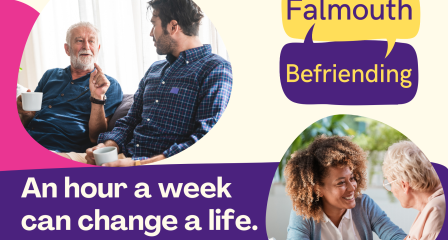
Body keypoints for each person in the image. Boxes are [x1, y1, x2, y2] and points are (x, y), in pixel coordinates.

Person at [84, 0, 232, 167]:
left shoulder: (216, 69)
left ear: (173, 26)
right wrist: (107, 146)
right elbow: (130, 120)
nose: (150, 33)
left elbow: (205, 138)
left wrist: (138, 165)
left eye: (154, 24)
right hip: (124, 156)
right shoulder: (155, 69)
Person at [17, 22, 123, 155]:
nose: (86, 46)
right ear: (67, 49)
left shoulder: (109, 85)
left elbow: (95, 137)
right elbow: (28, 120)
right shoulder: (50, 75)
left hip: (61, 149)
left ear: (98, 48)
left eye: (91, 41)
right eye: (79, 41)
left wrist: (97, 97)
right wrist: (24, 112)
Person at [285, 135, 407, 240]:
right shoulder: (302, 215)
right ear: (317, 189)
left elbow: (395, 236)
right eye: (341, 183)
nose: (352, 187)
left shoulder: (364, 205)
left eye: (352, 178)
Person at [382, 141, 445, 240]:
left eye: (390, 184)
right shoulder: (431, 206)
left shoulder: (436, 210)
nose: (392, 190)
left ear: (404, 185)